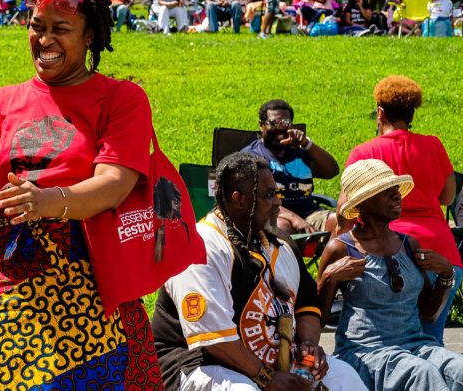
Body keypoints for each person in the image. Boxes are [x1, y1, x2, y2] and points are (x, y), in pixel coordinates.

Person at [0, 0, 162, 389]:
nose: (45, 40)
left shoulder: (121, 98)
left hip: (92, 274)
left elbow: (114, 183)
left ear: (90, 35)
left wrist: (46, 202)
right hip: (8, 267)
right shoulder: (3, 101)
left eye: (61, 29)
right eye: (37, 26)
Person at [152, 152, 365, 391]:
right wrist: (266, 378)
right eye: (268, 195)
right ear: (238, 199)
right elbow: (215, 340)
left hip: (272, 363)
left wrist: (307, 348)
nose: (278, 203)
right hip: (199, 365)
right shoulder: (201, 248)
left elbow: (307, 305)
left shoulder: (280, 243)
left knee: (343, 377)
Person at [319, 159, 463, 391]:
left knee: (459, 368)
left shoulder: (408, 245)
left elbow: (427, 315)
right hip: (366, 352)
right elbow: (317, 319)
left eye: (395, 190)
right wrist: (328, 279)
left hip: (417, 346)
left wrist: (445, 275)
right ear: (363, 202)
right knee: (421, 374)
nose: (397, 196)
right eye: (386, 192)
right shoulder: (342, 248)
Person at [340, 75, 462, 345]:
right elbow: (448, 196)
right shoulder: (433, 144)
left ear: (380, 112)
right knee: (431, 344)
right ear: (412, 113)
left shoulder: (364, 152)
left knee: (391, 345)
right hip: (443, 252)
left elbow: (343, 208)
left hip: (392, 254)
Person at [242, 100, 340, 235]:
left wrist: (307, 143)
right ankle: (285, 256)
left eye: (286, 123)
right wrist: (295, 219)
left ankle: (334, 256)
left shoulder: (300, 151)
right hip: (274, 216)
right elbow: (259, 199)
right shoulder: (252, 156)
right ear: (261, 125)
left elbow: (331, 171)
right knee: (282, 227)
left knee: (340, 222)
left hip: (309, 214)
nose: (280, 129)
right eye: (274, 123)